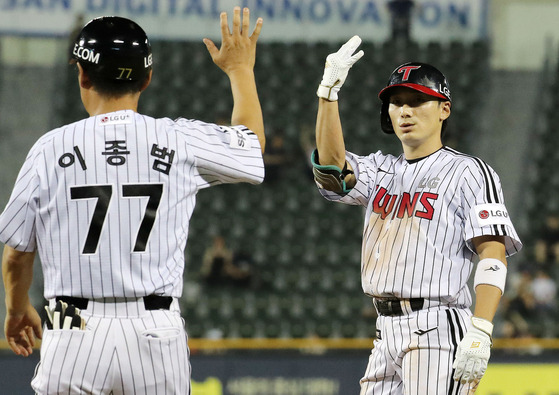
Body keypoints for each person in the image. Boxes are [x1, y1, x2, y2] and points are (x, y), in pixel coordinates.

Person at [0, 8, 264, 394]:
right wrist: (240, 70)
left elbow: (16, 253)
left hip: (73, 326)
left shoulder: (49, 149)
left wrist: (16, 307)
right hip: (155, 329)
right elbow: (250, 147)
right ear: (148, 79)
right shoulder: (179, 140)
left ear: (83, 74)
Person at [312, 36, 522, 394]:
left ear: (444, 109)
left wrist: (482, 330)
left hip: (438, 326)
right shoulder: (380, 170)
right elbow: (332, 169)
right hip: (385, 329)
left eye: (417, 100)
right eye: (396, 103)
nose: (405, 111)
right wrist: (328, 94)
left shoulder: (469, 172)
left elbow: (493, 252)